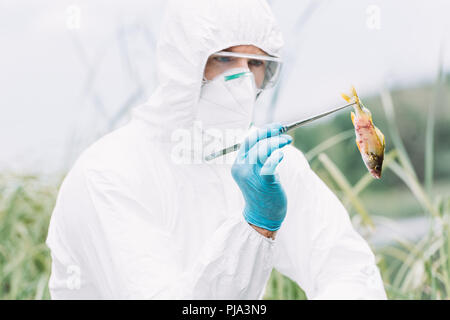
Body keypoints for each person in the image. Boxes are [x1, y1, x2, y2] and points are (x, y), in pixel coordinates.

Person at [46, 0, 387, 299]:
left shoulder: (269, 166)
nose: (241, 80)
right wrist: (255, 227)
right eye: (224, 58)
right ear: (183, 63)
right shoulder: (109, 173)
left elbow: (346, 269)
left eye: (255, 63)